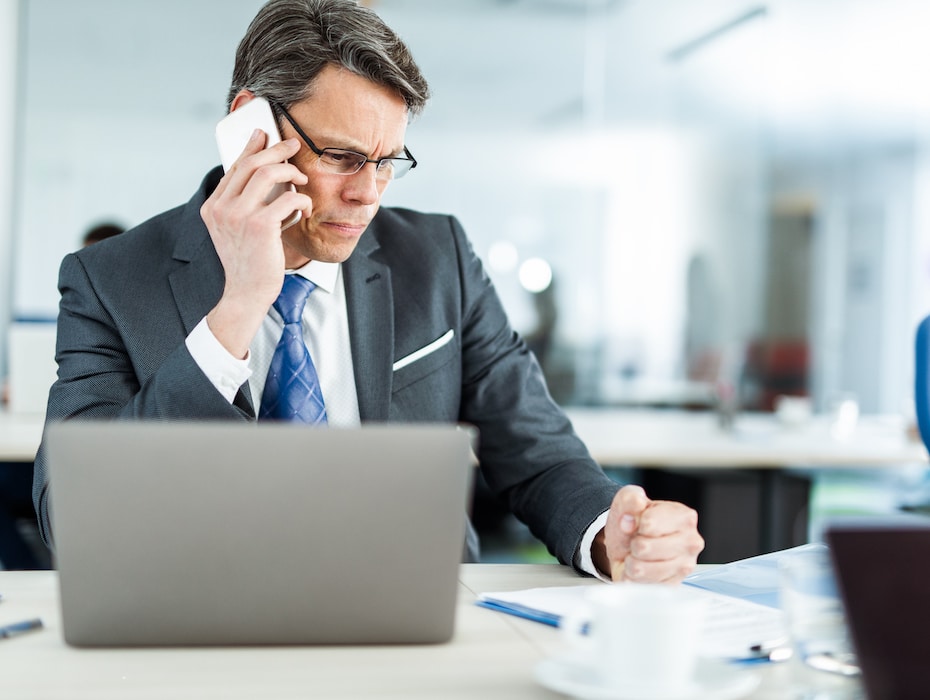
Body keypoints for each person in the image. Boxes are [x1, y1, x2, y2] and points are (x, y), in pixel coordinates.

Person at [33, 0, 703, 582]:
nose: (367, 194)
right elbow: (77, 519)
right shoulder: (110, 279)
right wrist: (237, 309)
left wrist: (605, 533)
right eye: (344, 158)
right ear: (250, 130)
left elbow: (538, 456)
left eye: (388, 163)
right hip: (203, 625)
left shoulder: (438, 260)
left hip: (412, 620)